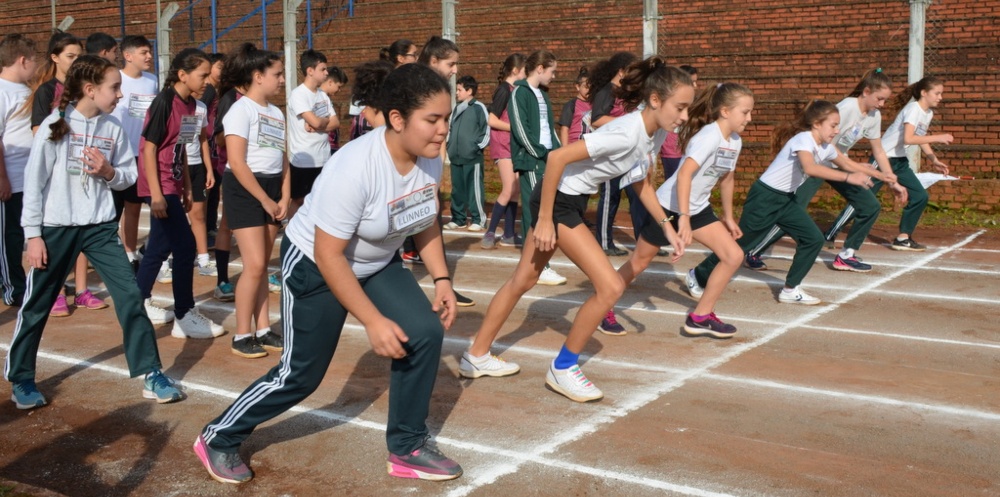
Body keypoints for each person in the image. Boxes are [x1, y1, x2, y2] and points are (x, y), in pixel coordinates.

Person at [195, 62, 462, 484]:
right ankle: (219, 436)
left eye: (446, 119)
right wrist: (373, 321)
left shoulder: (428, 158)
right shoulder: (354, 166)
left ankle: (408, 445)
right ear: (397, 119)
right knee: (300, 376)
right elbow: (330, 255)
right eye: (432, 120)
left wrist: (442, 279)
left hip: (376, 262)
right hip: (316, 267)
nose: (442, 129)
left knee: (424, 332)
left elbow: (424, 218)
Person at [460, 58, 693, 402]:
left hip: (568, 200)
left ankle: (475, 356)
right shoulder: (625, 132)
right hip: (558, 202)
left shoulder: (653, 133)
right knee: (611, 285)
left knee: (523, 280)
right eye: (681, 107)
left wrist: (666, 225)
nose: (685, 117)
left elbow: (641, 181)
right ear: (656, 100)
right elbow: (557, 159)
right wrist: (542, 219)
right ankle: (564, 368)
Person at [5, 54, 183, 409]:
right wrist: (33, 235)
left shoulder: (113, 128)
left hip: (100, 228)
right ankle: (22, 378)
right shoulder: (55, 126)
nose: (119, 94)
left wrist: (108, 173)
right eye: (114, 87)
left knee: (131, 296)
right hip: (56, 229)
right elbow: (34, 184)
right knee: (38, 303)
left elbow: (128, 177)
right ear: (90, 89)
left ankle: (150, 372)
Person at [692, 100, 874, 306]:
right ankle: (698, 275)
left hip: (786, 200)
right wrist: (849, 178)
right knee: (741, 245)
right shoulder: (803, 139)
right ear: (816, 123)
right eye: (833, 125)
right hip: (765, 197)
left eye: (837, 126)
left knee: (813, 239)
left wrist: (887, 177)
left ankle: (790, 289)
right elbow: (810, 168)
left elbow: (849, 163)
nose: (837, 130)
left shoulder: (826, 147)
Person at [617, 82, 754, 339]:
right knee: (640, 261)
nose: (749, 118)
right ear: (725, 111)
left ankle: (700, 316)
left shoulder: (734, 141)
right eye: (745, 112)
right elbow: (684, 177)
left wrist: (727, 216)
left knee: (733, 255)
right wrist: (684, 219)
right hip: (669, 206)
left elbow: (727, 178)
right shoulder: (708, 137)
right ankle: (605, 304)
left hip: (697, 208)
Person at [744, 69, 907, 272]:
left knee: (870, 205)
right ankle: (754, 250)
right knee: (793, 210)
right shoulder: (847, 108)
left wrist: (893, 182)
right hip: (817, 165)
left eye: (884, 100)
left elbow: (879, 151)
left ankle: (847, 255)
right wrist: (851, 166)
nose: (882, 104)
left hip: (839, 165)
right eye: (879, 99)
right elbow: (826, 142)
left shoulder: (874, 116)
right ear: (866, 91)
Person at [134, 47, 225, 339]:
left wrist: (187, 186)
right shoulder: (164, 102)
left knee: (160, 247)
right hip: (158, 184)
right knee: (185, 246)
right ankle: (184, 314)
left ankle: (136, 304)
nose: (206, 81)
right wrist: (158, 194)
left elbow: (184, 148)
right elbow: (148, 149)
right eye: (202, 75)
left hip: (173, 185)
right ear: (182, 75)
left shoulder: (191, 105)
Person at [825, 75, 952, 252]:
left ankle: (903, 237)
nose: (940, 97)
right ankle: (830, 233)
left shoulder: (927, 113)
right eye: (937, 93)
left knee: (920, 196)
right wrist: (939, 137)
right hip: (883, 158)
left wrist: (934, 159)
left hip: (899, 160)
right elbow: (909, 137)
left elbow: (920, 137)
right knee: (864, 199)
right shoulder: (914, 109)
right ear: (924, 93)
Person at [219, 43, 289, 357]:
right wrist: (264, 199)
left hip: (273, 190)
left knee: (262, 267)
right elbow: (237, 161)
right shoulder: (240, 110)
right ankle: (241, 334)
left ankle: (263, 328)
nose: (283, 80)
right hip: (246, 190)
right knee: (255, 265)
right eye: (277, 74)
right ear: (258, 76)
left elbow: (283, 157)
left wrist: (284, 195)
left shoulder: (276, 112)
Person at [28, 31, 101, 317]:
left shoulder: (85, 88)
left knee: (82, 228)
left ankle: (82, 290)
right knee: (58, 235)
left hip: (83, 168)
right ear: (55, 58)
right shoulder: (47, 90)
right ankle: (58, 292)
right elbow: (39, 131)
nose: (75, 61)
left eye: (78, 56)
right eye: (70, 56)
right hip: (57, 171)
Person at [508, 50, 567, 286]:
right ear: (540, 68)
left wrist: (560, 150)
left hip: (547, 158)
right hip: (532, 160)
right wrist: (541, 153)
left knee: (545, 208)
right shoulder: (520, 93)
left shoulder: (542, 94)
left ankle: (537, 263)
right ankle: (538, 266)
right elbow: (521, 130)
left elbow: (548, 127)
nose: (554, 76)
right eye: (552, 71)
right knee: (536, 211)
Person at [110, 35, 158, 272]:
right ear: (128, 56)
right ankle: (119, 251)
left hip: (144, 153)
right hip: (119, 153)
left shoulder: (152, 81)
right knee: (113, 208)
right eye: (143, 52)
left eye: (149, 51)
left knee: (135, 205)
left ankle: (130, 252)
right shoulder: (115, 79)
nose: (149, 56)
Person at [589, 51, 641, 257]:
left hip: (627, 153)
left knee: (637, 196)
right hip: (610, 154)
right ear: (621, 72)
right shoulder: (607, 91)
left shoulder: (623, 93)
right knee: (610, 197)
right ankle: (603, 242)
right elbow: (597, 119)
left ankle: (646, 240)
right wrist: (625, 124)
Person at [0, 34, 37, 307]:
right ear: (22, 60)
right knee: (9, 237)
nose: (36, 66)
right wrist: (2, 177)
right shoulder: (2, 91)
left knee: (21, 234)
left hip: (29, 177)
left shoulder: (27, 89)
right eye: (34, 61)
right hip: (10, 177)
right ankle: (13, 288)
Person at [481, 53, 526, 250]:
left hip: (513, 144)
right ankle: (490, 232)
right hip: (503, 144)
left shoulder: (516, 90)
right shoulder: (503, 90)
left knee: (515, 190)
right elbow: (492, 120)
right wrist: (515, 127)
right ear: (515, 70)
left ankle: (508, 233)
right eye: (525, 70)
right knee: (508, 188)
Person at [286, 49, 334, 218]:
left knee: (321, 199)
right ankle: (291, 232)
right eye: (323, 69)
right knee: (299, 200)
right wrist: (322, 121)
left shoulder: (323, 95)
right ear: (310, 71)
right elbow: (314, 121)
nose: (326, 73)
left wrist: (320, 123)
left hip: (324, 158)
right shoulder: (298, 94)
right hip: (304, 160)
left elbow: (333, 123)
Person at [444, 75, 489, 231]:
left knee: (474, 188)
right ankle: (458, 218)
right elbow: (450, 129)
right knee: (457, 189)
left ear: (469, 91)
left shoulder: (479, 107)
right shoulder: (456, 108)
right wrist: (449, 146)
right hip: (456, 156)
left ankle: (478, 219)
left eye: (459, 90)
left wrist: (476, 147)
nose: (456, 92)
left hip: (472, 157)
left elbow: (487, 129)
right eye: (456, 89)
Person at [186, 83, 218, 277]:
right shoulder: (169, 104)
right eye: (201, 77)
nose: (204, 84)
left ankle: (203, 259)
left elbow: (203, 139)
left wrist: (209, 169)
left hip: (197, 165)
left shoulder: (201, 107)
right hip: (177, 167)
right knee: (173, 216)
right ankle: (162, 260)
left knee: (198, 214)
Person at [557, 66, 592, 147]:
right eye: (586, 87)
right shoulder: (571, 105)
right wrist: (565, 149)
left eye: (591, 87)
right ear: (577, 86)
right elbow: (564, 129)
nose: (589, 90)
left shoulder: (596, 104)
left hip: (591, 147)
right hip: (575, 146)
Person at [320, 65, 347, 155]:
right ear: (330, 82)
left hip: (332, 145)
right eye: (339, 87)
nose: (339, 90)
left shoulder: (326, 98)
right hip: (326, 146)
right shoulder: (319, 98)